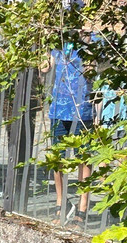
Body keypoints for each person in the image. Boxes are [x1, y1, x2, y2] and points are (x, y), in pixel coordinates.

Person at [47, 38, 94, 226]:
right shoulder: (57, 42)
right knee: (57, 158)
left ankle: (82, 208)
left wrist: (87, 42)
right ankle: (61, 202)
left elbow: (91, 72)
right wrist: (43, 43)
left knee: (84, 157)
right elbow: (44, 68)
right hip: (58, 107)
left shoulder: (92, 41)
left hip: (81, 108)